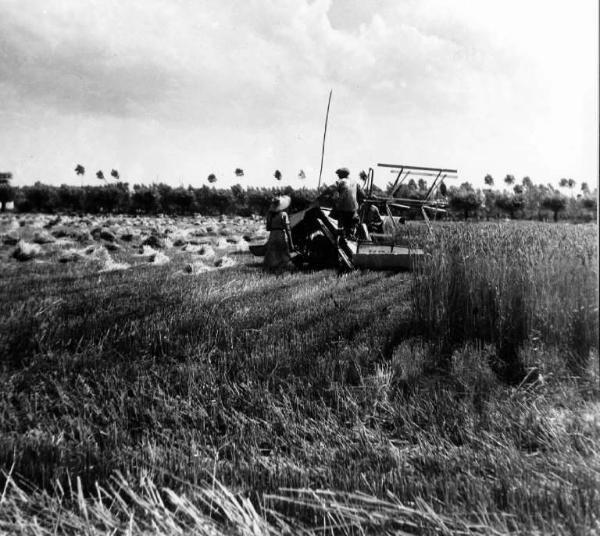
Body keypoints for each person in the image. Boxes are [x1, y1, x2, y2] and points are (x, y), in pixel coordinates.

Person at [264, 195, 295, 272]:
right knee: (283, 252)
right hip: (281, 234)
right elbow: (288, 229)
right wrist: (291, 243)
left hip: (272, 235)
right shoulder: (284, 214)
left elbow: (268, 228)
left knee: (272, 253)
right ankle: (283, 270)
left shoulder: (269, 215)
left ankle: (271, 269)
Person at [330, 168, 364, 238]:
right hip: (353, 210)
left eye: (339, 175)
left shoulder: (339, 182)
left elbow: (335, 196)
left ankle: (340, 234)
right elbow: (362, 195)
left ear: (342, 175)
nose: (338, 176)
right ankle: (349, 233)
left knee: (334, 216)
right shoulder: (355, 182)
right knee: (350, 223)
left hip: (342, 210)